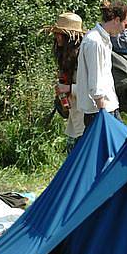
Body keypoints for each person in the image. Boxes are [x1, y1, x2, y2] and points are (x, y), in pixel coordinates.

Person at [76, 0, 127, 129]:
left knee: (122, 146)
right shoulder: (95, 41)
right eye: (126, 24)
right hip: (100, 111)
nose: (125, 29)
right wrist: (103, 114)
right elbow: (96, 81)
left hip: (108, 107)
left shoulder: (103, 39)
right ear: (117, 20)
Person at [43, 12, 85, 152]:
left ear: (70, 36)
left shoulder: (82, 56)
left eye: (60, 34)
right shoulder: (66, 57)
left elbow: (91, 88)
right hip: (74, 119)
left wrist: (67, 89)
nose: (57, 37)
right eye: (56, 33)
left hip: (86, 119)